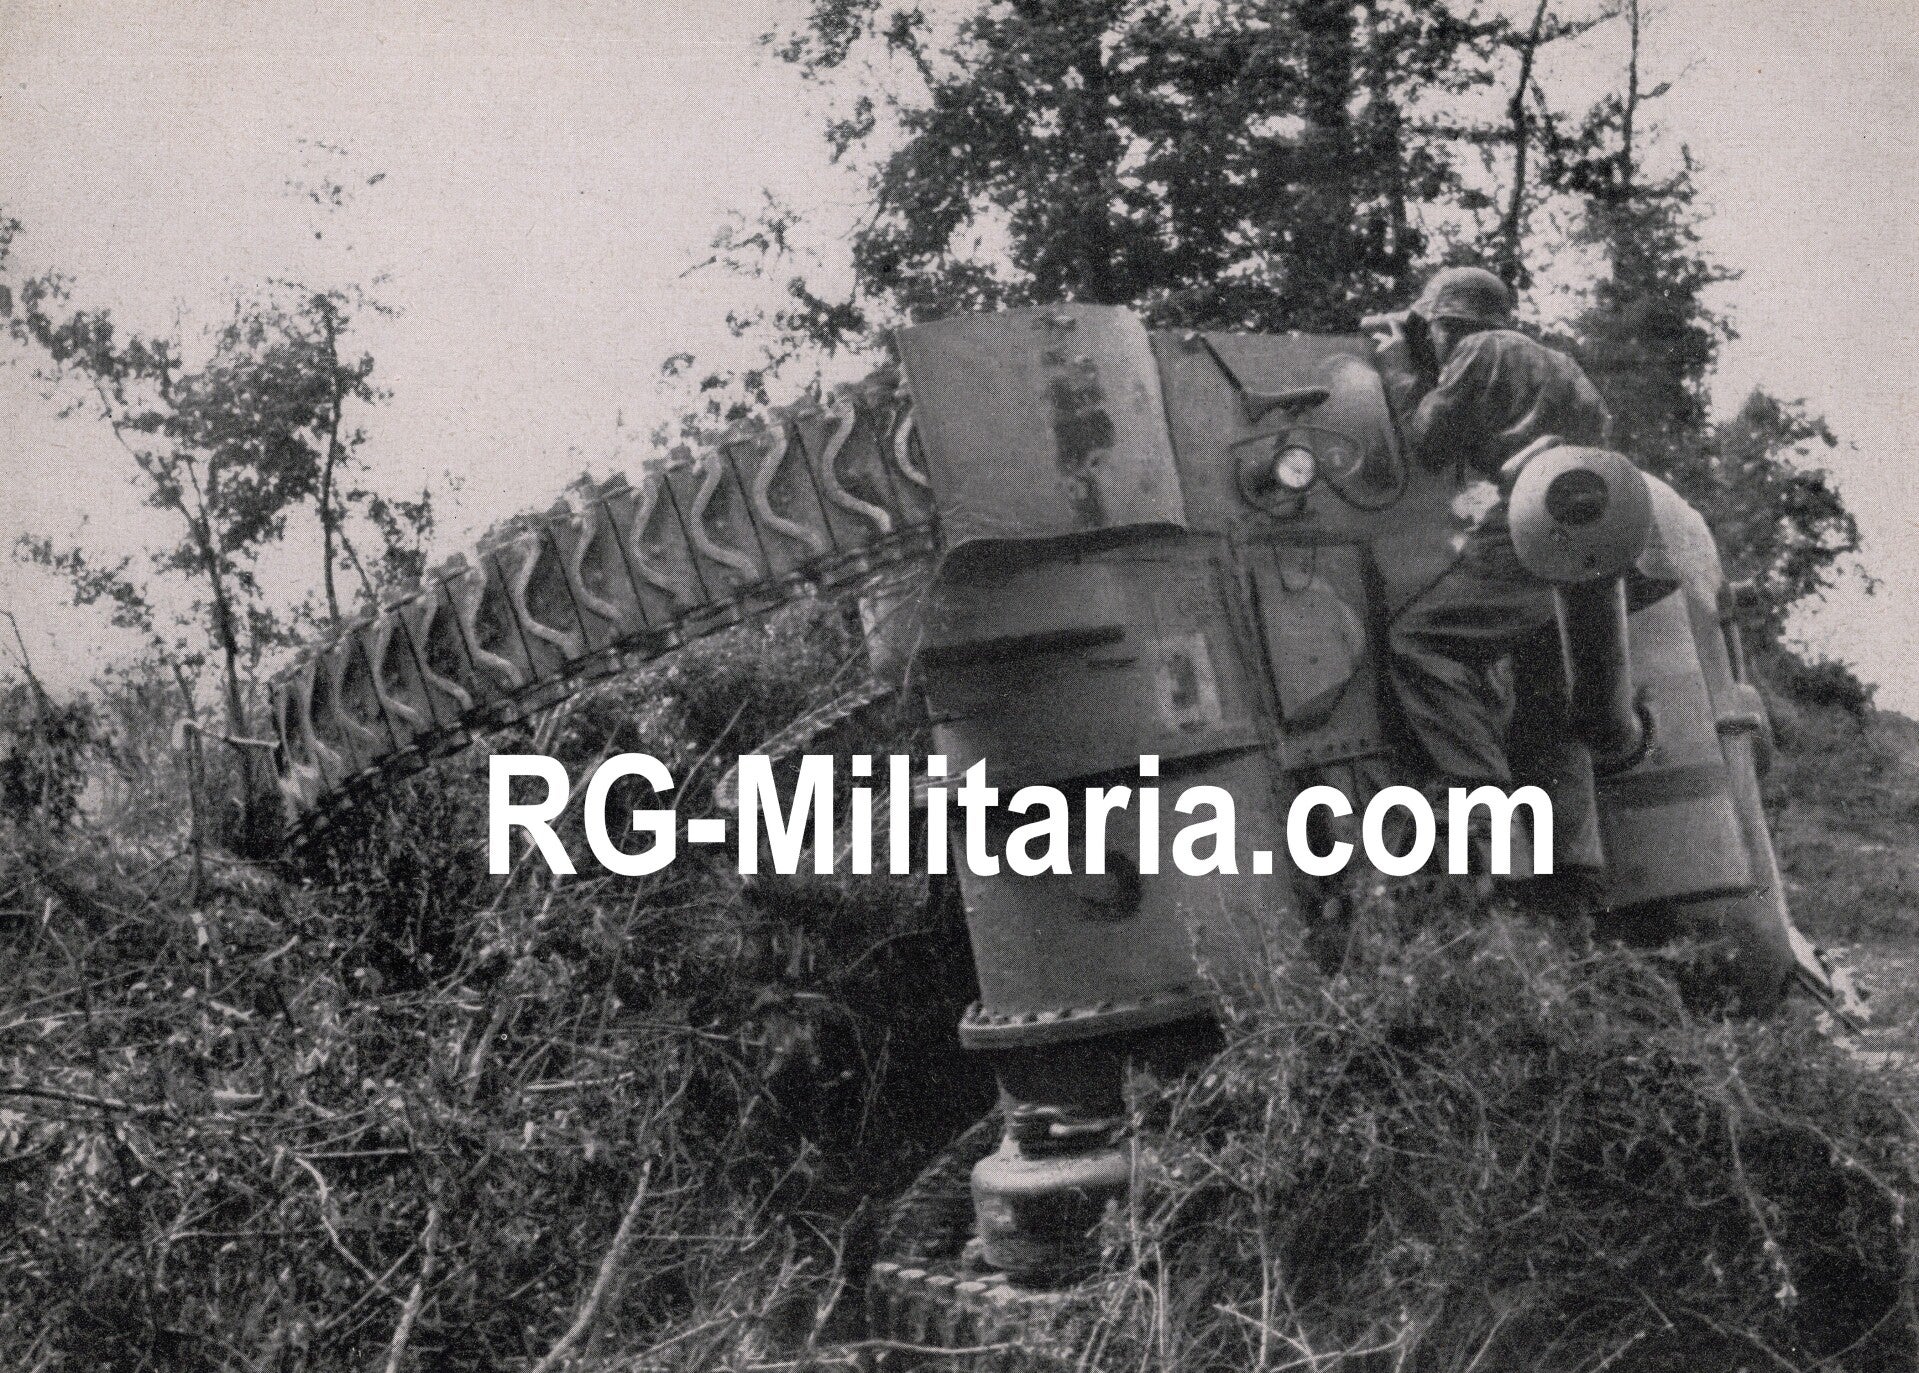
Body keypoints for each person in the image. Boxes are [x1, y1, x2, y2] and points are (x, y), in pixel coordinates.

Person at [1371, 266, 1614, 795]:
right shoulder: (1561, 363)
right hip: (1582, 536)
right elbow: (1599, 434)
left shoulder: (1479, 350)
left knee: (1419, 642)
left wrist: (1396, 364)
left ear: (1450, 323)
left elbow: (1428, 441)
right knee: (1545, 691)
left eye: (1430, 330)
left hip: (1520, 531)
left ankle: (1476, 789)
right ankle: (1566, 859)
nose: (1429, 343)